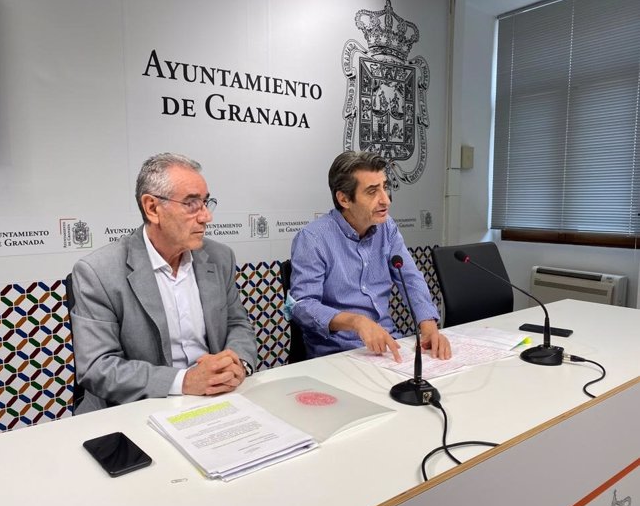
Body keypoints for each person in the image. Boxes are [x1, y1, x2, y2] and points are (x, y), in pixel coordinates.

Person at [70, 153, 257, 414]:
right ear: (152, 208)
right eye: (191, 204)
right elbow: (97, 367)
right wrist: (185, 381)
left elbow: (237, 324)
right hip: (136, 410)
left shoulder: (220, 257)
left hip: (216, 401)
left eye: (206, 202)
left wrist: (238, 364)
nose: (206, 217)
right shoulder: (98, 272)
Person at [289, 150, 451, 362]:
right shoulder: (313, 239)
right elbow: (302, 305)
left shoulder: (387, 228)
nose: (385, 200)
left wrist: (429, 326)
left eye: (385, 187)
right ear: (344, 199)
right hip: (337, 355)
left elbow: (410, 278)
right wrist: (356, 322)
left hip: (387, 347)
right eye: (372, 192)